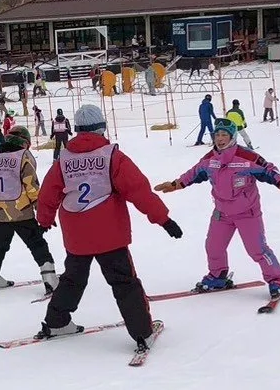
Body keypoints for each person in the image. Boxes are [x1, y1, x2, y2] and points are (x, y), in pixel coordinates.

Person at [35, 104, 180, 349]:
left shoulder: (64, 159)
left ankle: (57, 321)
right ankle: (142, 332)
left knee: (72, 278)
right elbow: (139, 191)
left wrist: (45, 219)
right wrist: (163, 219)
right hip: (109, 233)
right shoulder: (112, 156)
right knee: (124, 282)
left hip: (76, 233)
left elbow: (48, 192)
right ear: (102, 128)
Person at [156, 119, 280, 298]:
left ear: (232, 137)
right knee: (213, 247)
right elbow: (194, 173)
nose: (220, 138)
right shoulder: (210, 159)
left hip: (247, 213)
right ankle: (217, 277)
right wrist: (175, 184)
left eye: (224, 135)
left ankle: (275, 280)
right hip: (222, 213)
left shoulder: (247, 157)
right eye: (217, 134)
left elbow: (268, 170)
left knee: (257, 250)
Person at [0, 125, 58, 294]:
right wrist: (42, 212)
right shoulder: (23, 158)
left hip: (0, 211)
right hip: (22, 211)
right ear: (24, 143)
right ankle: (49, 278)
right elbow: (32, 187)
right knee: (37, 243)